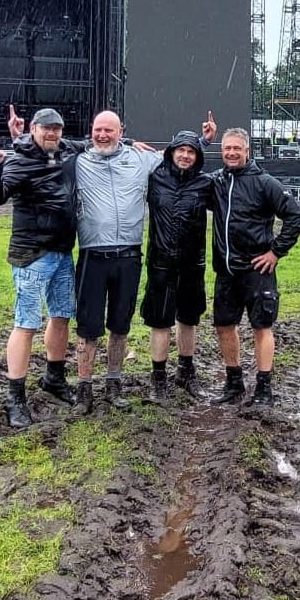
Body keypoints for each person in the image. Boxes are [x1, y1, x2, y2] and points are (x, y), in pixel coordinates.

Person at [68, 111, 215, 413]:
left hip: (130, 256)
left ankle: (113, 384)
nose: (103, 135)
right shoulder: (79, 161)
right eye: (98, 129)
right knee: (88, 326)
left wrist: (203, 141)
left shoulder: (142, 160)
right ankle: (84, 388)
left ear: (121, 130)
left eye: (110, 130)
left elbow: (180, 155)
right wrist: (18, 139)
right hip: (93, 255)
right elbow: (52, 146)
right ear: (90, 131)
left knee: (120, 325)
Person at [0, 107, 81, 428]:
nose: (52, 134)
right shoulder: (19, 161)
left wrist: (131, 143)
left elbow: (100, 143)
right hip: (31, 255)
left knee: (62, 315)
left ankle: (54, 377)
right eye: (46, 129)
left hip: (63, 251)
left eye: (57, 129)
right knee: (26, 323)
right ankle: (15, 397)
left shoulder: (66, 152)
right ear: (34, 130)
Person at [208, 128, 300, 408]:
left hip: (257, 271)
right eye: (227, 148)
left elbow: (295, 216)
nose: (231, 153)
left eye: (237, 148)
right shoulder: (216, 182)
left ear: (247, 150)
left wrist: (275, 252)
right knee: (224, 326)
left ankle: (264, 388)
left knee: (261, 327)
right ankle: (234, 382)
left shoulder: (265, 183)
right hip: (226, 271)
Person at [141, 127, 215, 400]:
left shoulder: (206, 184)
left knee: (188, 318)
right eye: (180, 150)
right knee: (159, 321)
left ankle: (186, 371)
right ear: (171, 152)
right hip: (160, 263)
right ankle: (158, 377)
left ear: (198, 157)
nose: (185, 156)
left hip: (192, 264)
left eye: (191, 151)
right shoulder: (154, 178)